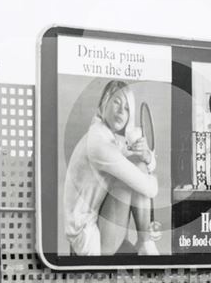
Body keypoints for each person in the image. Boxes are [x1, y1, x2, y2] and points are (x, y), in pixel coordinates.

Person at [63, 80, 159, 256]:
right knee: (137, 169)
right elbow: (151, 189)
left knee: (138, 165)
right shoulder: (98, 142)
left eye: (128, 108)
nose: (122, 111)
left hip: (94, 222)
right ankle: (145, 242)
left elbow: (143, 160)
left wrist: (147, 156)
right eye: (116, 102)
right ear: (103, 103)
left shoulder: (105, 136)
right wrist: (147, 169)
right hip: (87, 237)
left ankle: (145, 242)